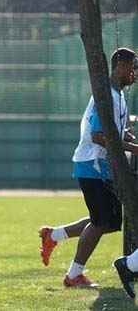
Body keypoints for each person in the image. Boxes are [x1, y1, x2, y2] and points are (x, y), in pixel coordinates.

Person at [39, 47, 138, 288]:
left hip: (103, 165)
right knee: (102, 221)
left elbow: (111, 131)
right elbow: (98, 136)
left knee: (111, 221)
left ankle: (54, 234)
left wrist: (124, 134)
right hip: (93, 164)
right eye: (134, 66)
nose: (136, 73)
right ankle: (74, 275)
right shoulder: (106, 95)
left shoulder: (118, 95)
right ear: (121, 64)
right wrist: (134, 148)